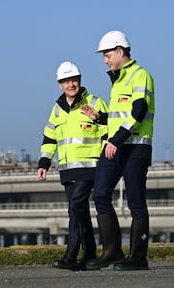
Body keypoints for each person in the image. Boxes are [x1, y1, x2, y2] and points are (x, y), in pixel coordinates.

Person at [81, 30, 155, 271]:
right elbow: (118, 117)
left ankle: (138, 257)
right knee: (100, 194)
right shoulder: (118, 81)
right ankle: (112, 251)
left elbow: (139, 111)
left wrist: (116, 140)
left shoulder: (140, 75)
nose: (105, 60)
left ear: (120, 52)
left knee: (136, 201)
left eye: (107, 54)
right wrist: (100, 117)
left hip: (135, 148)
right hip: (115, 146)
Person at [37, 61, 108, 271]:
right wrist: (44, 162)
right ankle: (89, 254)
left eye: (74, 80)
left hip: (91, 167)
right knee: (78, 211)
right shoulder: (56, 110)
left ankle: (71, 255)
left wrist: (105, 161)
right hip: (67, 169)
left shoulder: (95, 102)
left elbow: (108, 131)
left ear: (80, 80)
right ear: (60, 84)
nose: (71, 84)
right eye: (66, 81)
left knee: (75, 207)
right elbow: (49, 138)